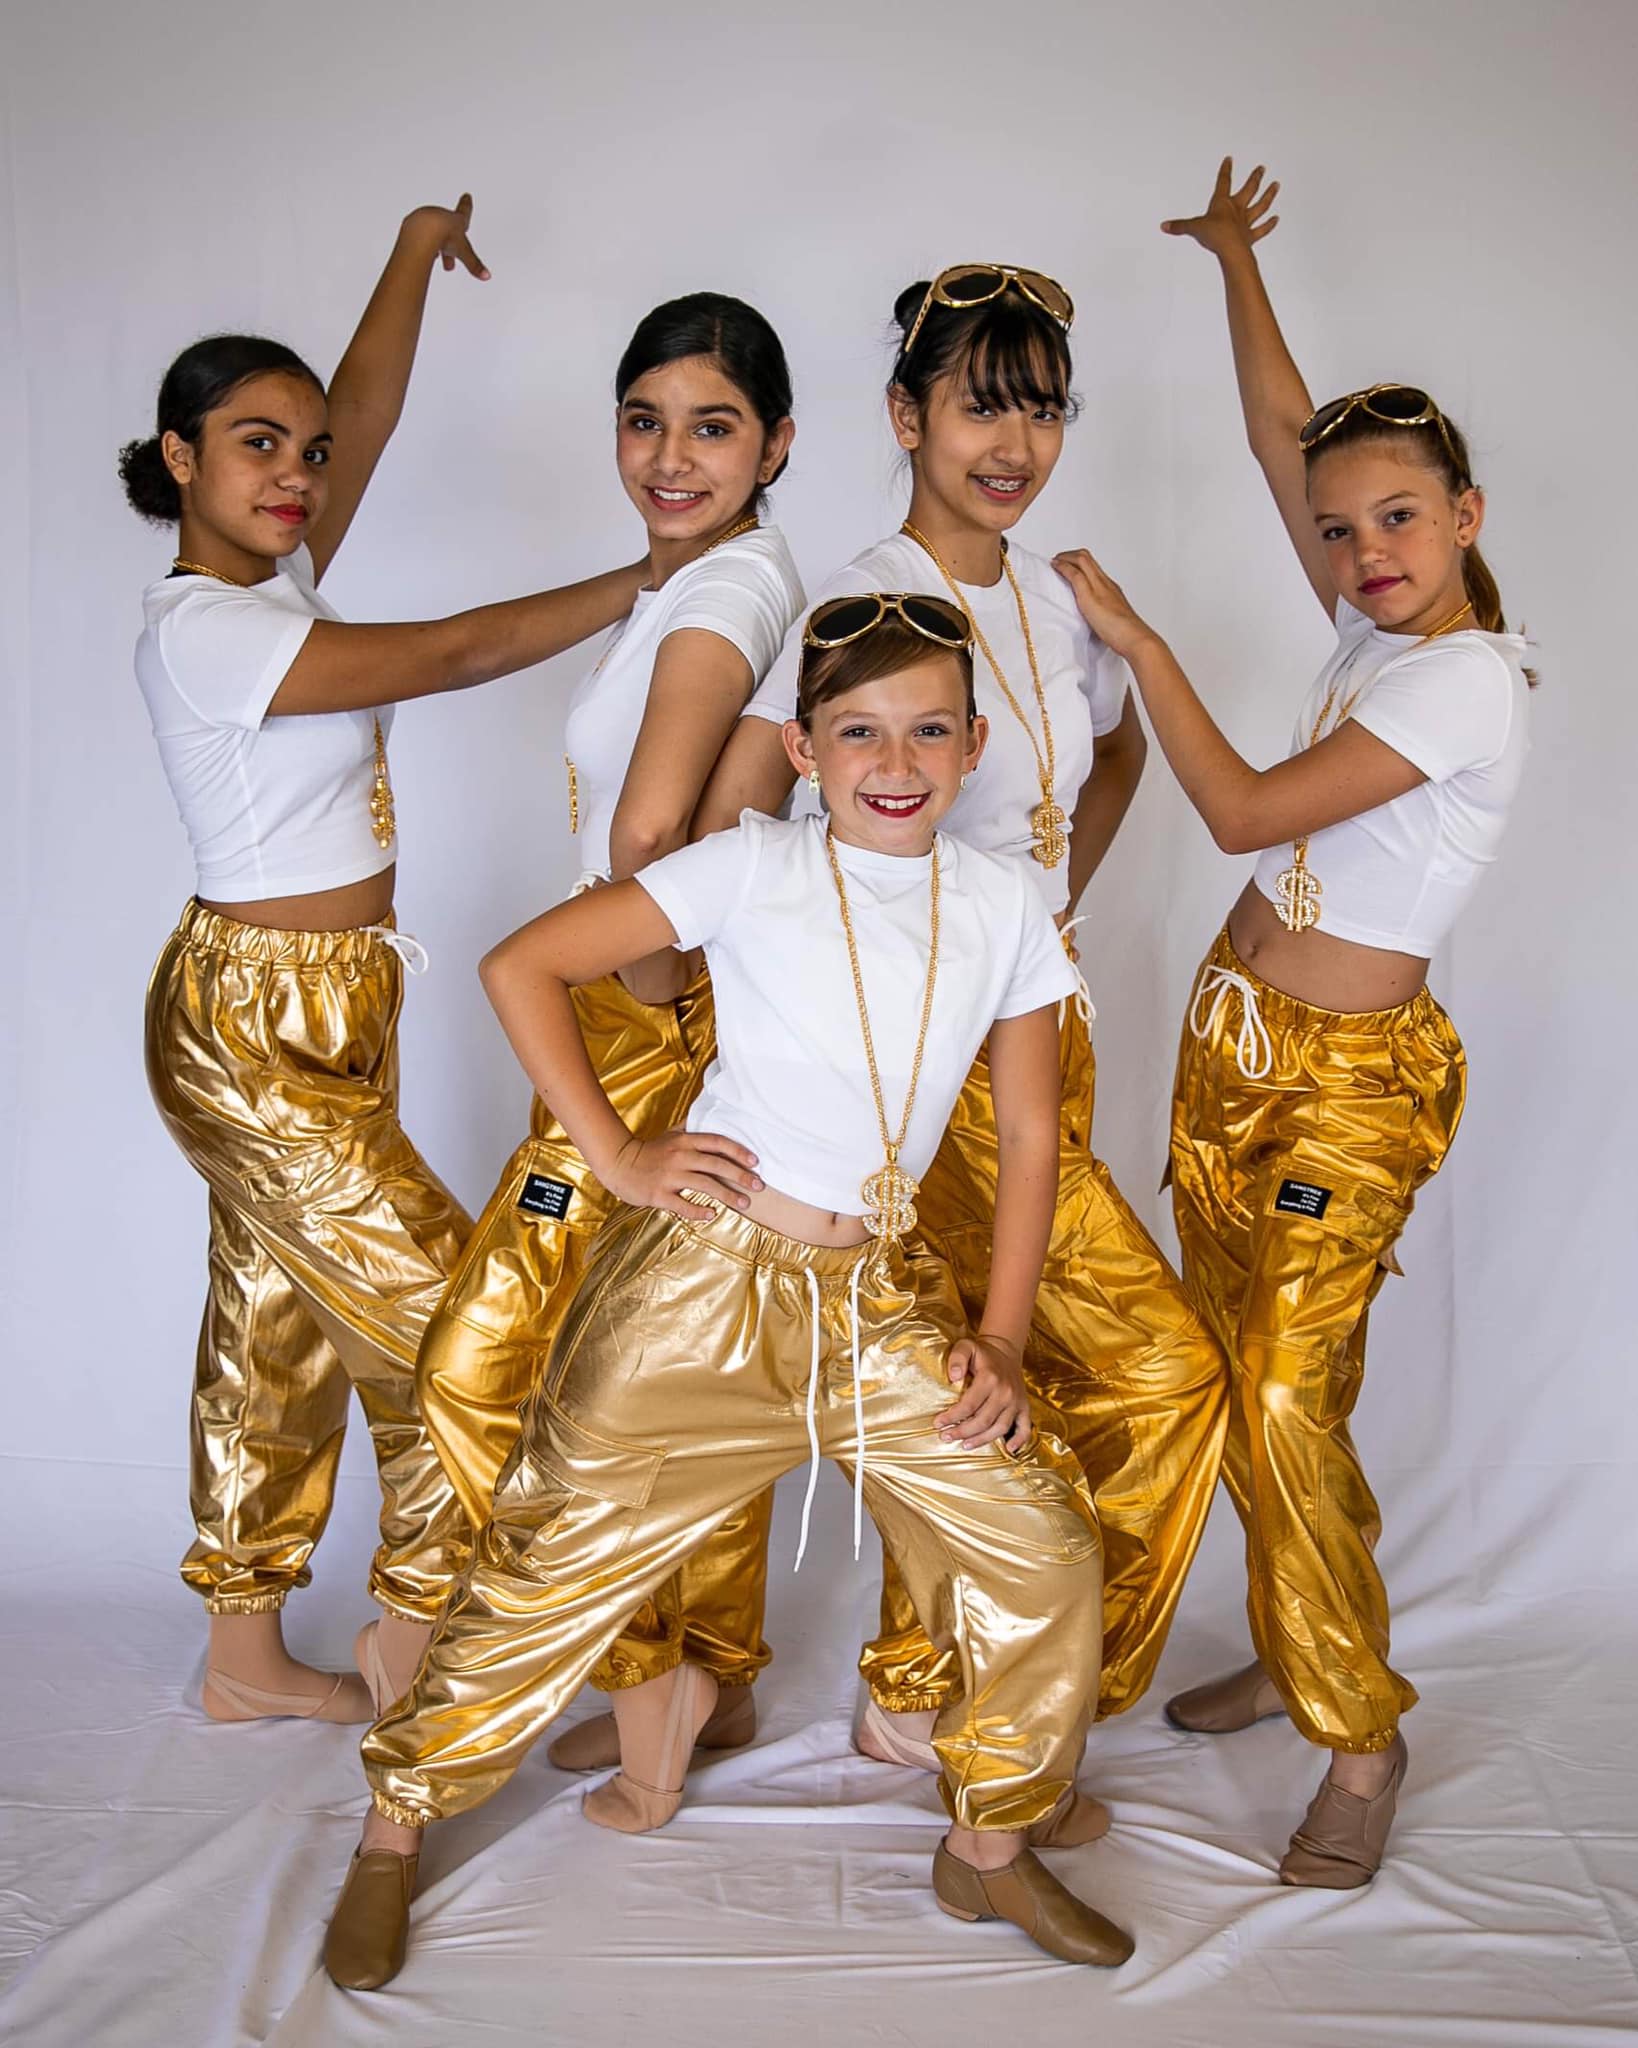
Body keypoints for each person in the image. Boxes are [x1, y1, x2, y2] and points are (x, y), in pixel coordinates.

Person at [322, 596, 1134, 1989]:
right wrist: (618, 1154)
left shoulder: (1004, 904)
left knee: (1044, 1549)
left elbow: (1032, 1138)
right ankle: (393, 1830)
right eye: (858, 732)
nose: (895, 761)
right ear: (803, 751)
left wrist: (999, 1336)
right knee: (542, 1567)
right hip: (702, 1293)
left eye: (928, 730)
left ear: (973, 746)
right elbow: (525, 964)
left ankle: (990, 1845)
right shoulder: (752, 864)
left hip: (877, 1305)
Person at [1051, 159, 1533, 1887]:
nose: (1360, 551)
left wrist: (1138, 641)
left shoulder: (1466, 679)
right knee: (1232, 1365)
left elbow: (1245, 812)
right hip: (1228, 1054)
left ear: (1464, 514)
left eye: (1397, 518)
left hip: (1343, 1095)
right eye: (1341, 531)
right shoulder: (1372, 622)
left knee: (1275, 1393)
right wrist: (1236, 266)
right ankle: (1293, 1626)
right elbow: (1285, 441)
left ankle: (1359, 1731)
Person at [125, 195, 652, 1724]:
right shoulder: (205, 630)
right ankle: (415, 1641)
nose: (295, 474)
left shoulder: (272, 576)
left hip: (340, 1004)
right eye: (256, 446)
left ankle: (241, 1660)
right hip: (249, 1028)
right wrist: (654, 578)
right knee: (456, 1327)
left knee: (274, 1318)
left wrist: (415, 250)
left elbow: (359, 402)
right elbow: (454, 652)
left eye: (305, 453)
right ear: (179, 459)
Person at [697, 264, 1227, 1766]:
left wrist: (1028, 933)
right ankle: (976, 1705)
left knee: (987, 1374)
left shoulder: (1056, 597)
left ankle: (929, 1687)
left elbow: (1109, 765)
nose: (1014, 442)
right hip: (921, 1062)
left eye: (1043, 409)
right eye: (981, 404)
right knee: (1152, 1375)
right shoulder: (861, 596)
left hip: (1038, 1025)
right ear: (904, 415)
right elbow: (739, 827)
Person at [410, 293, 803, 1769]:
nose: (670, 456)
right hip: (652, 1011)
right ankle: (703, 1676)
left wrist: (641, 1006)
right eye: (645, 422)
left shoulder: (723, 595)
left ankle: (644, 1671)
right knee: (673, 1357)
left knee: (488, 1365)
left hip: (634, 1018)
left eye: (713, 427)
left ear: (776, 444)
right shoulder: (703, 577)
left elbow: (646, 835)